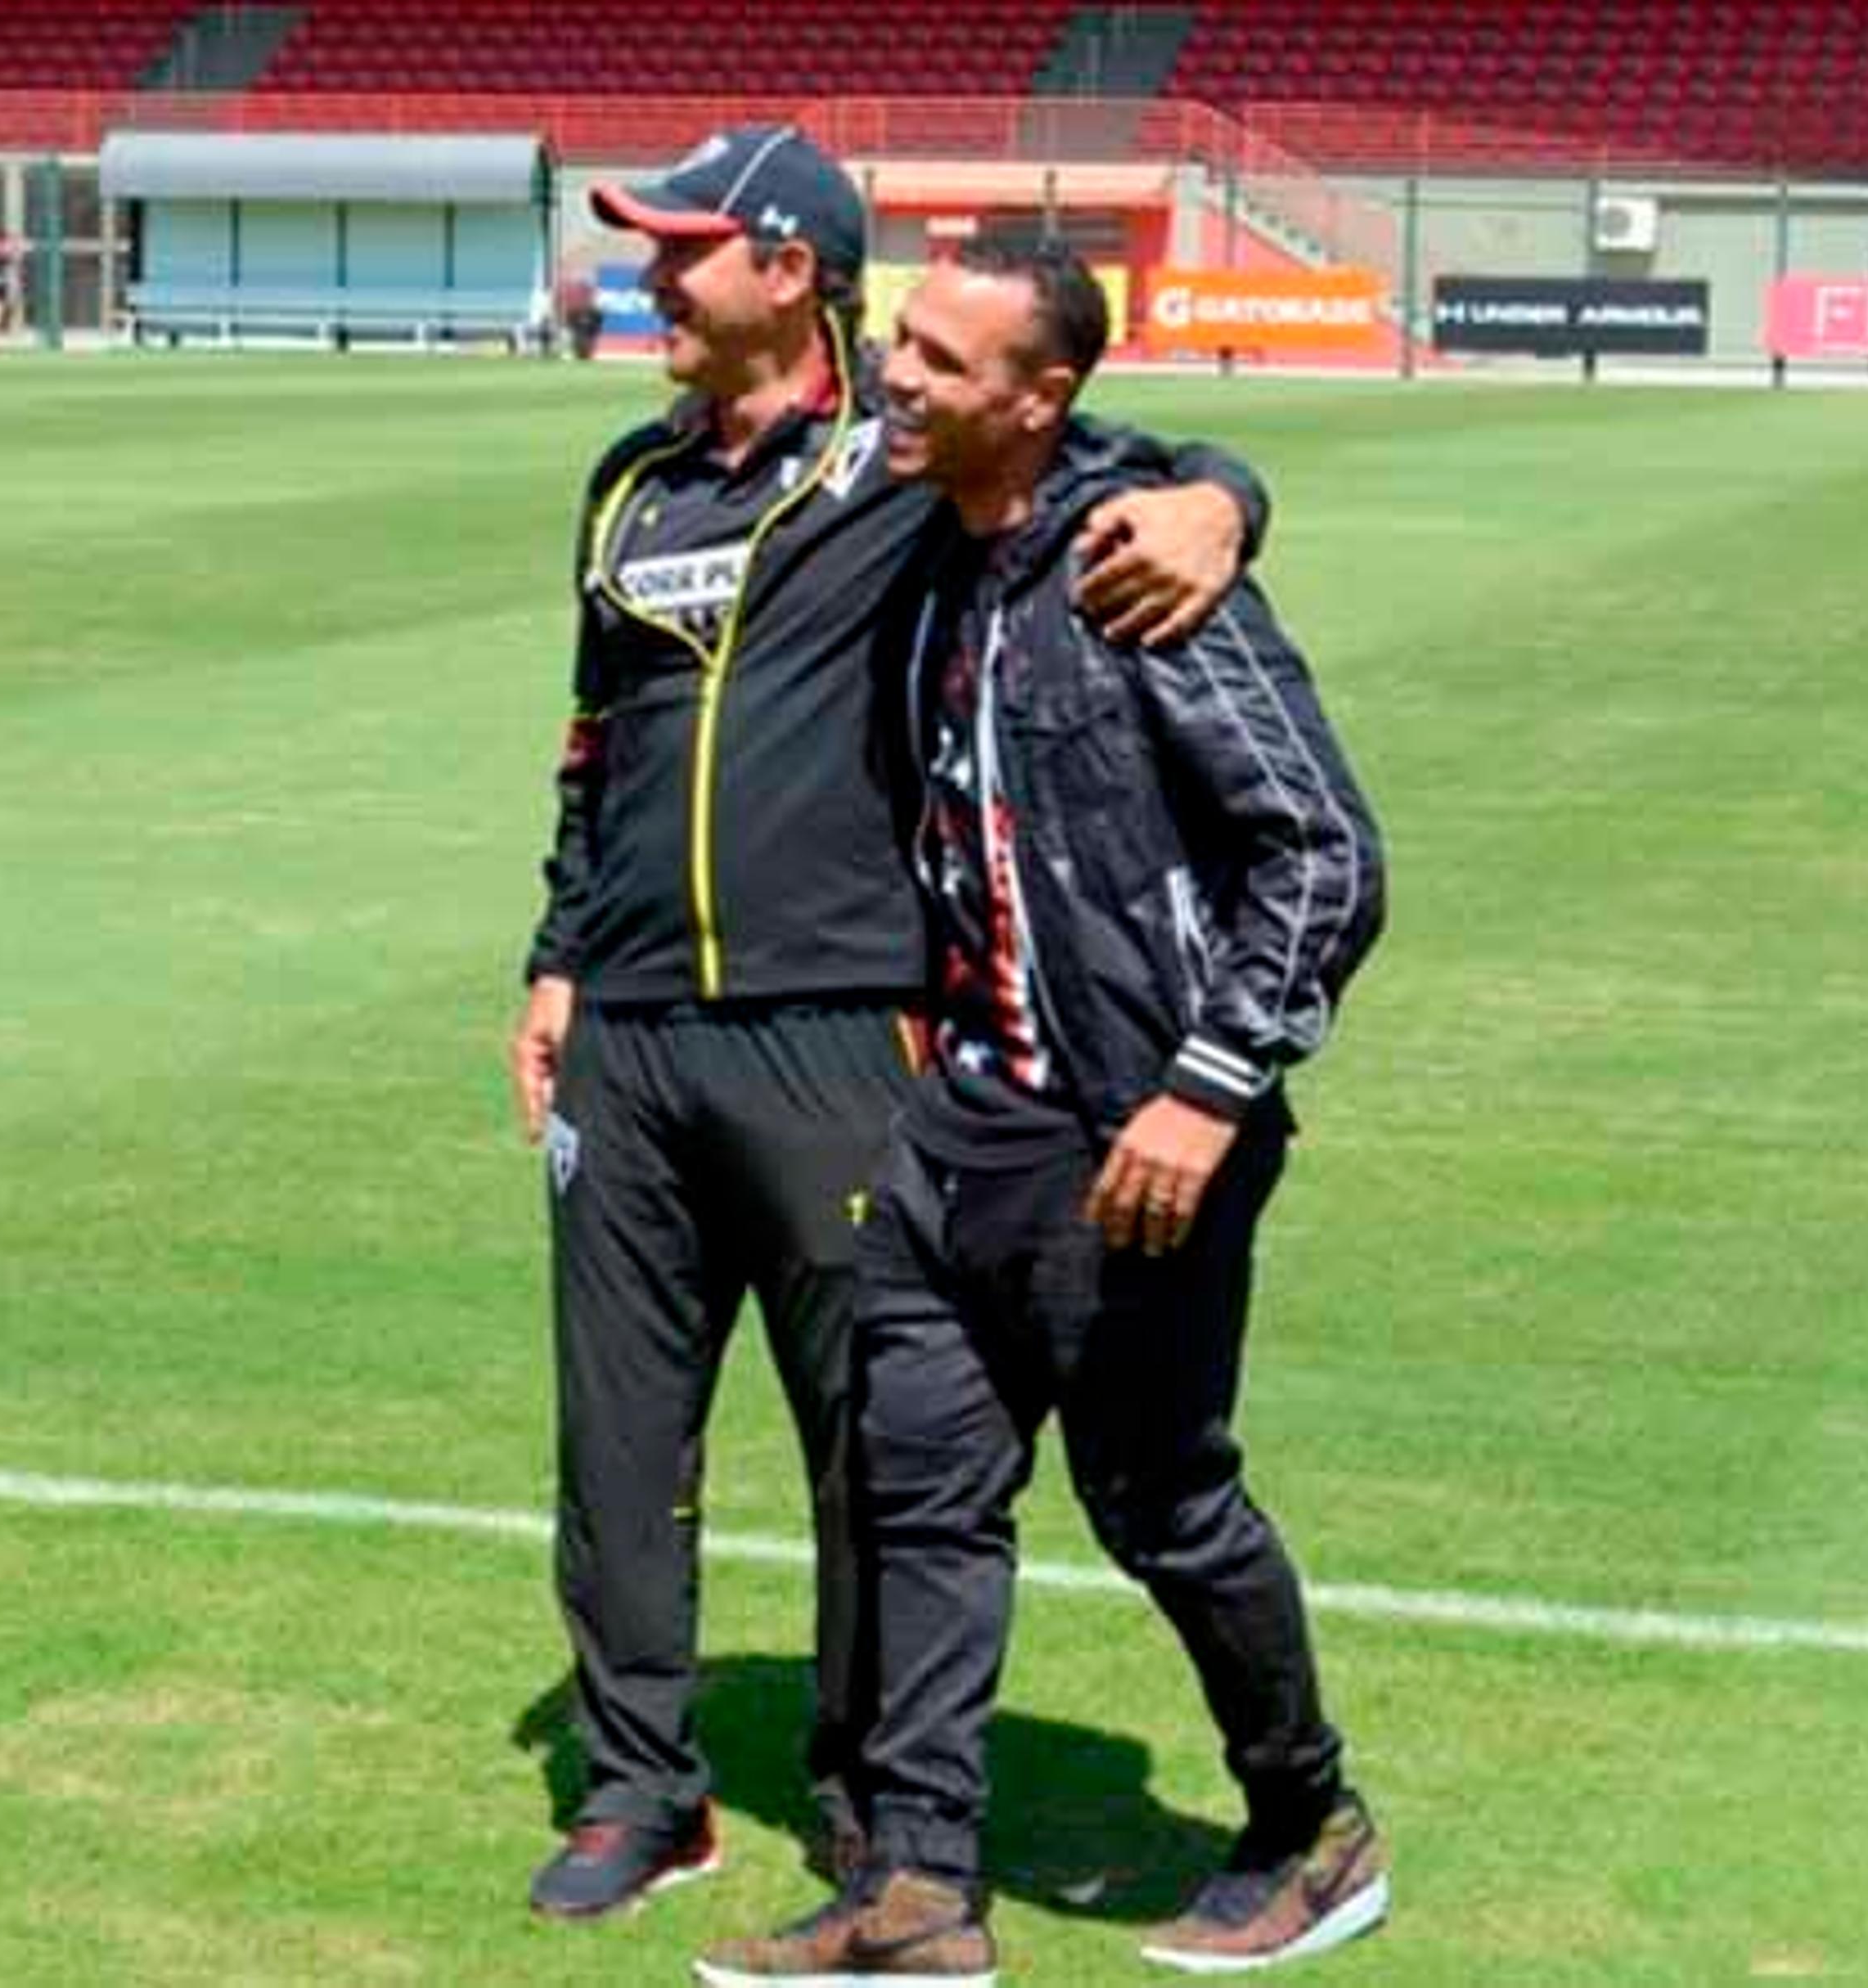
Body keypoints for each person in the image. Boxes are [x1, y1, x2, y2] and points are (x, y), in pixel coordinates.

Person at [513, 127, 1272, 1923]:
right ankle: (642, 1788)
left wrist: (1226, 501)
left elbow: (1131, 462)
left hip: (845, 1031)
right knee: (619, 1437)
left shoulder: (901, 460)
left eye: (679, 249)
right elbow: (591, 746)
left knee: (876, 1436)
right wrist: (556, 953)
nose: (648, 278)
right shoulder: (630, 481)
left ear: (788, 266)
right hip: (626, 1036)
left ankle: (877, 1801)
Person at [695, 237, 1388, 1986]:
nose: (898, 375)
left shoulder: (1144, 567)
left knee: (1162, 1505)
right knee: (920, 1498)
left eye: (941, 356)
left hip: (1138, 1141)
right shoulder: (928, 542)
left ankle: (1312, 1824)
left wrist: (1208, 1093)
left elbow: (1328, 855)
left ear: (1041, 395)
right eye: (896, 341)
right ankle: (922, 1892)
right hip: (964, 1131)